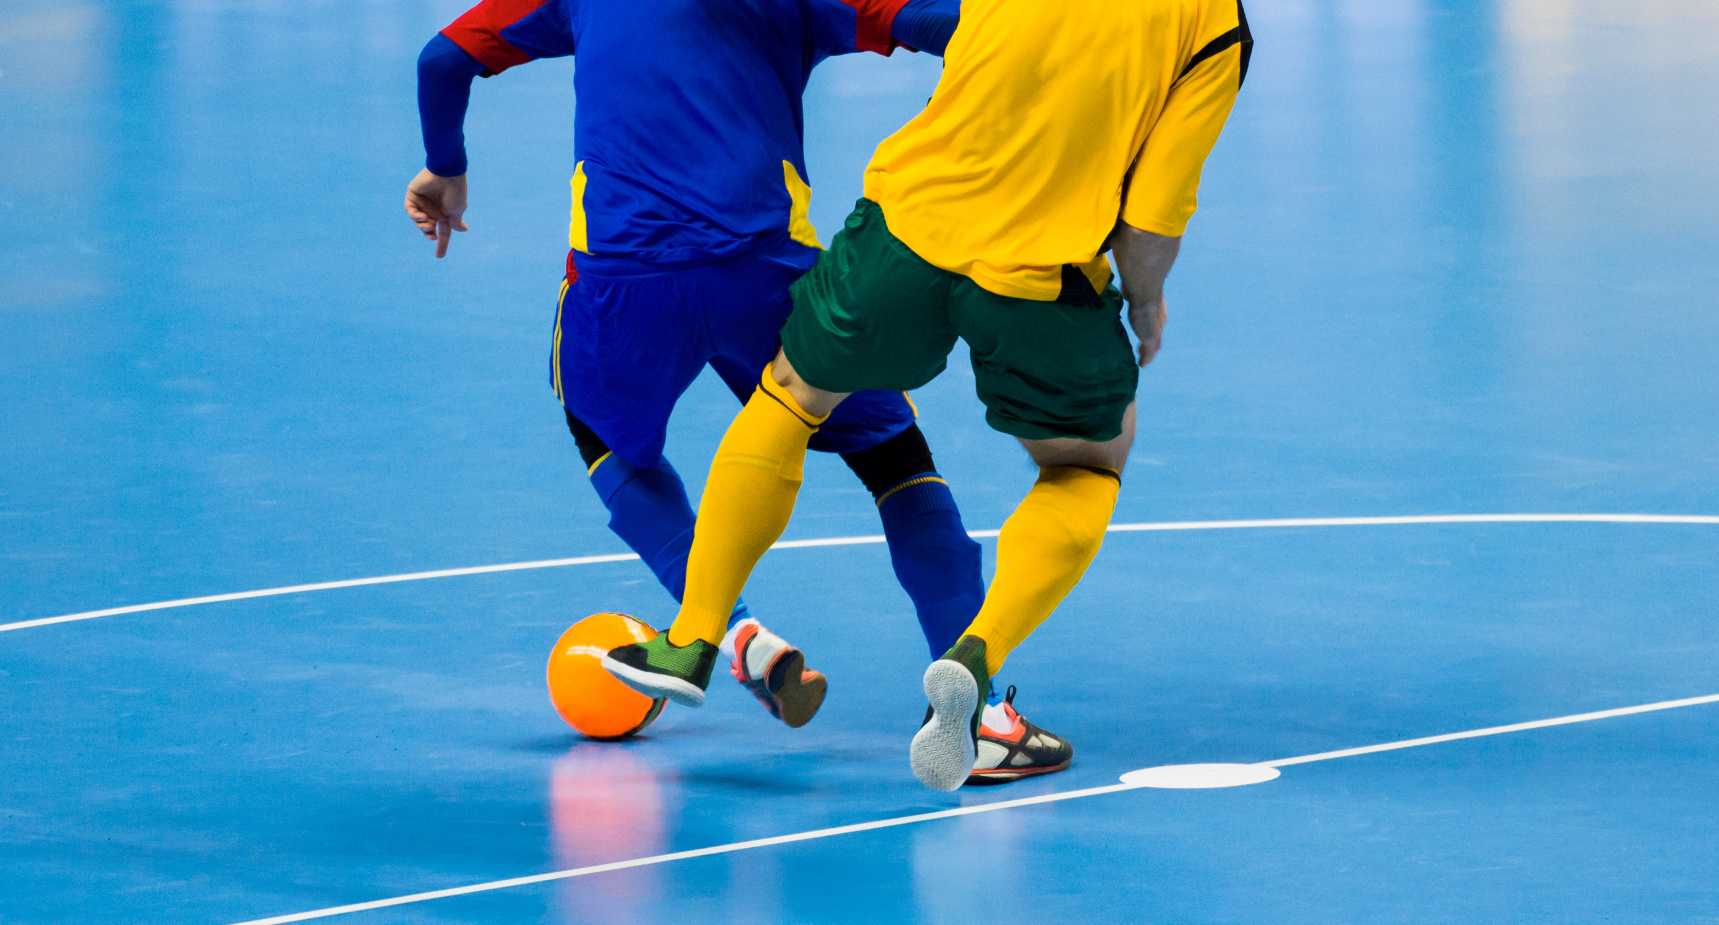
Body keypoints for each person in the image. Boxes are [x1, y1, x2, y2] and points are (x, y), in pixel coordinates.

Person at [404, 0, 1075, 781]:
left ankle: (728, 634)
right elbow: (954, 26)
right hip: (768, 278)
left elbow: (441, 60)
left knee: (605, 438)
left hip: (625, 286)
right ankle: (982, 716)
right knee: (895, 458)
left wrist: (445, 167)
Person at [603, 0, 1252, 790]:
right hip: (1038, 277)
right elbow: (1151, 218)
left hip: (903, 232)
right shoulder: (1214, 26)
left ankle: (692, 635)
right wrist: (1145, 301)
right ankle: (973, 666)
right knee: (1086, 465)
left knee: (788, 396)